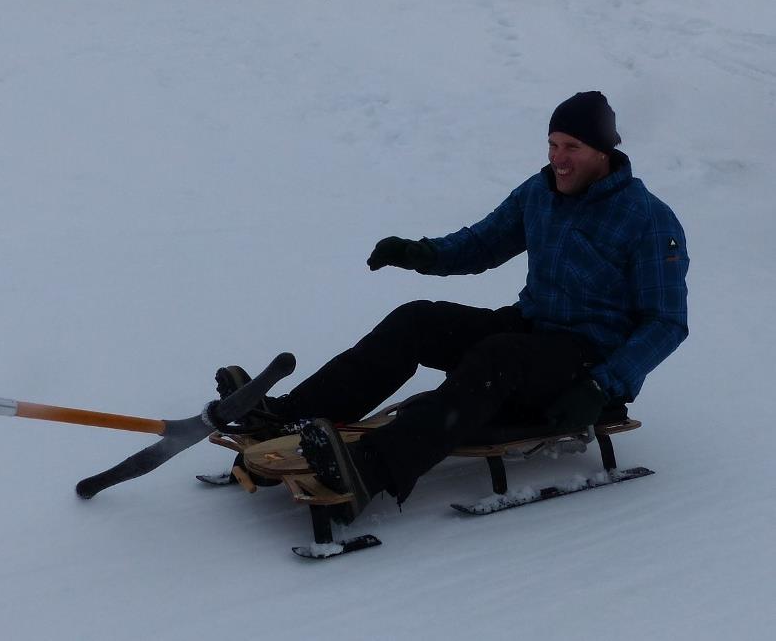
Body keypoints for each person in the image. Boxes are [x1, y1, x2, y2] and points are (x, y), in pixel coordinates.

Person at [221, 91, 690, 515]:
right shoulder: (541, 192)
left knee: (496, 358)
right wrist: (420, 253)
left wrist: (602, 386)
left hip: (588, 360)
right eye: (552, 144)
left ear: (603, 151)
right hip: (533, 329)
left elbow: (666, 323)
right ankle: (289, 417)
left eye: (572, 147)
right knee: (418, 321)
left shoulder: (648, 219)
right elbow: (483, 243)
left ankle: (368, 471)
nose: (557, 158)